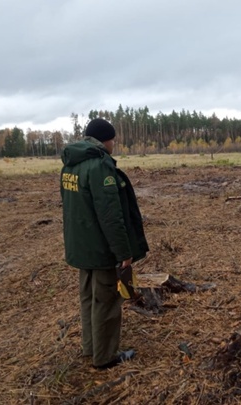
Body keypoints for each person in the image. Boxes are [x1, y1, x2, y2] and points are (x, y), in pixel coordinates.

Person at [60, 118, 149, 370]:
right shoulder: (99, 166)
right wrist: (124, 253)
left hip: (81, 247)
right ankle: (105, 356)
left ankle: (91, 348)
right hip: (101, 249)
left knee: (89, 298)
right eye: (112, 139)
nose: (114, 143)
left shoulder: (70, 165)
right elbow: (111, 216)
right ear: (104, 139)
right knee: (107, 302)